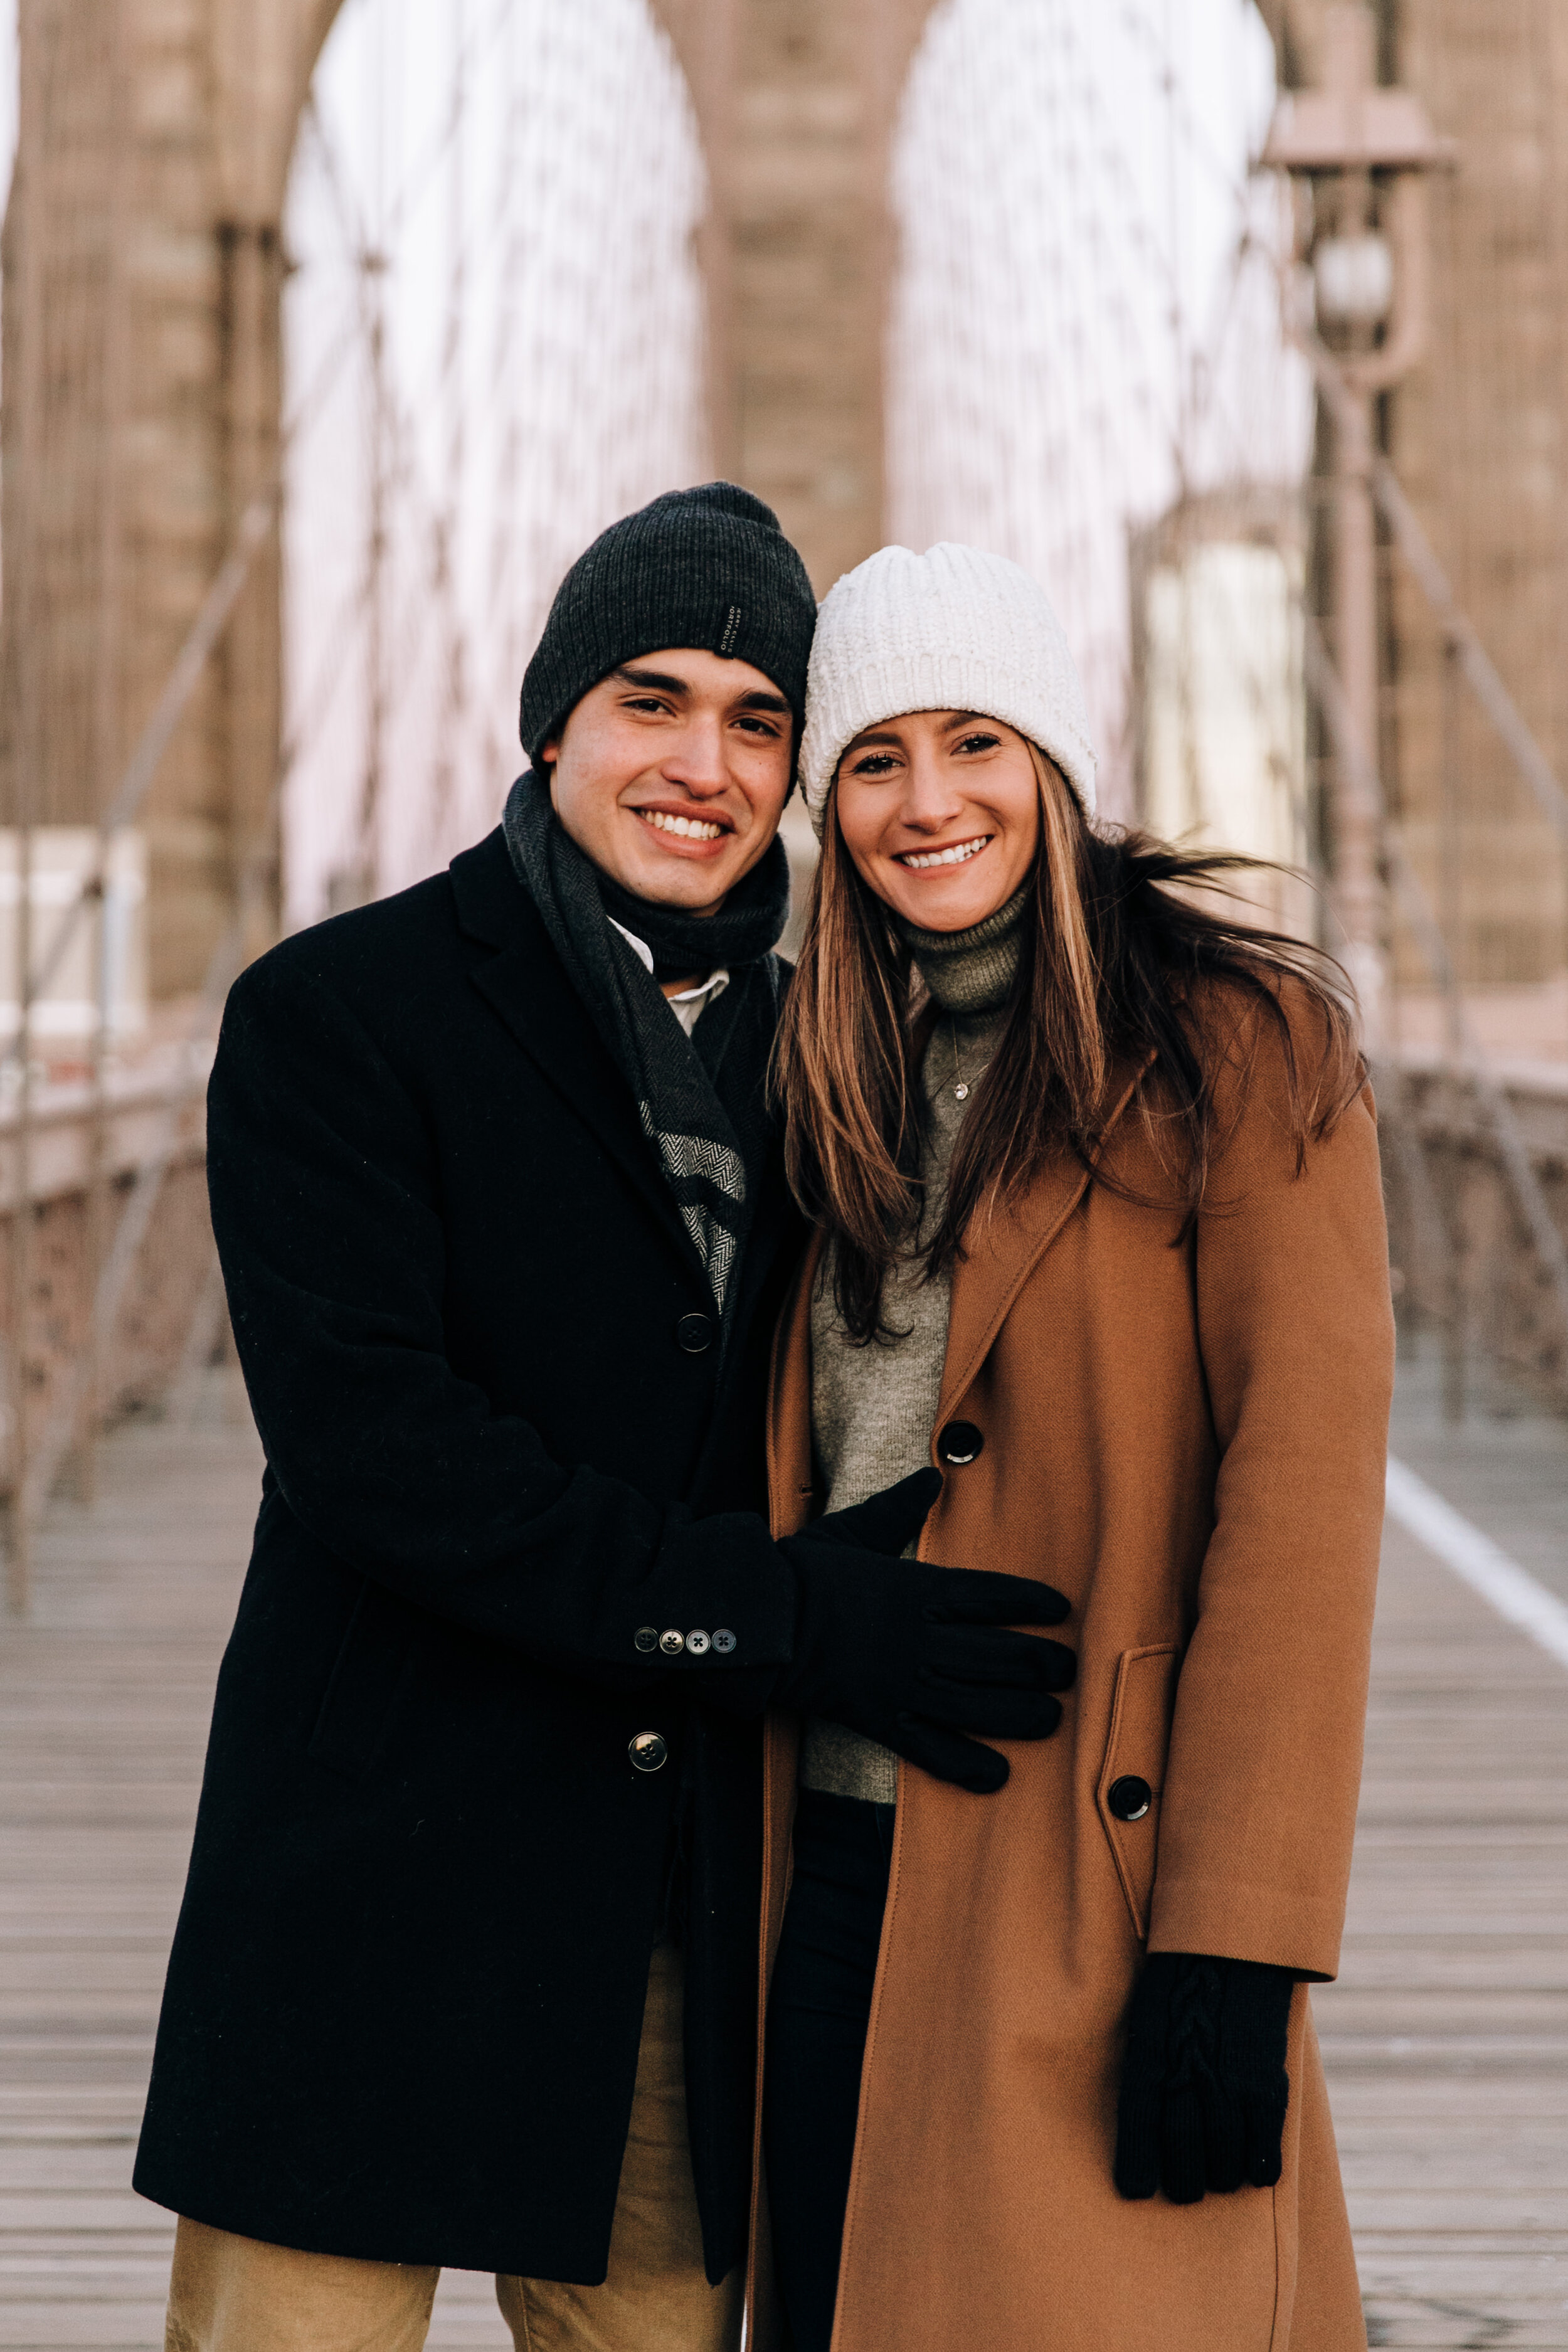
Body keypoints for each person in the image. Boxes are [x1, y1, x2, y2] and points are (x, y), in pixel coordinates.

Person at [132, 487, 1069, 2352]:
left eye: (755, 718)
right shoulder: (338, 1013)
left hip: (673, 1906)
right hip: (370, 1882)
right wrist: (791, 1619)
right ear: (553, 717)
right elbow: (377, 1454)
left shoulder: (839, 1058)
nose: (700, 764)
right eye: (651, 700)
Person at [758, 541, 1394, 2352]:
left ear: (1049, 766)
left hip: (1089, 1900)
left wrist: (1236, 1941)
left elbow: (1299, 1505)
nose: (926, 802)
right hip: (823, 1880)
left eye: (974, 743)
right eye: (873, 758)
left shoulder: (1238, 1049)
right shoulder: (819, 1064)